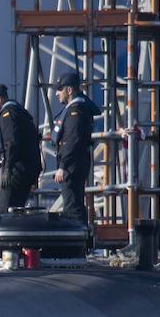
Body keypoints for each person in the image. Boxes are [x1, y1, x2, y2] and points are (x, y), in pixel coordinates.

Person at [0, 84, 42, 212]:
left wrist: (7, 169)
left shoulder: (8, 114)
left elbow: (11, 144)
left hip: (18, 171)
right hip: (25, 169)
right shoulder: (16, 111)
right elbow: (0, 151)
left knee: (5, 212)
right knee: (15, 211)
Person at [52, 70, 99, 227]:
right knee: (72, 205)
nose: (57, 94)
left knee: (73, 208)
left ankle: (78, 247)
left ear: (70, 90)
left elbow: (72, 141)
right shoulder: (76, 107)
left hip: (72, 166)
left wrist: (63, 166)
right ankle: (77, 244)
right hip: (74, 164)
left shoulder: (75, 110)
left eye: (60, 89)